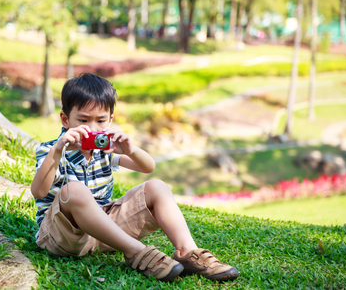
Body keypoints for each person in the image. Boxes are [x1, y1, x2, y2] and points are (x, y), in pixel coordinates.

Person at [31, 73, 239, 282]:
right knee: (74, 191)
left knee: (157, 187)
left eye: (100, 121)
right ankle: (136, 251)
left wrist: (130, 150)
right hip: (63, 235)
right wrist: (57, 152)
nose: (93, 129)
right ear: (65, 120)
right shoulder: (51, 150)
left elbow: (148, 167)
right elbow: (39, 191)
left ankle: (188, 252)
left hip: (104, 232)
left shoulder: (105, 150)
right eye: (83, 121)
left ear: (110, 120)